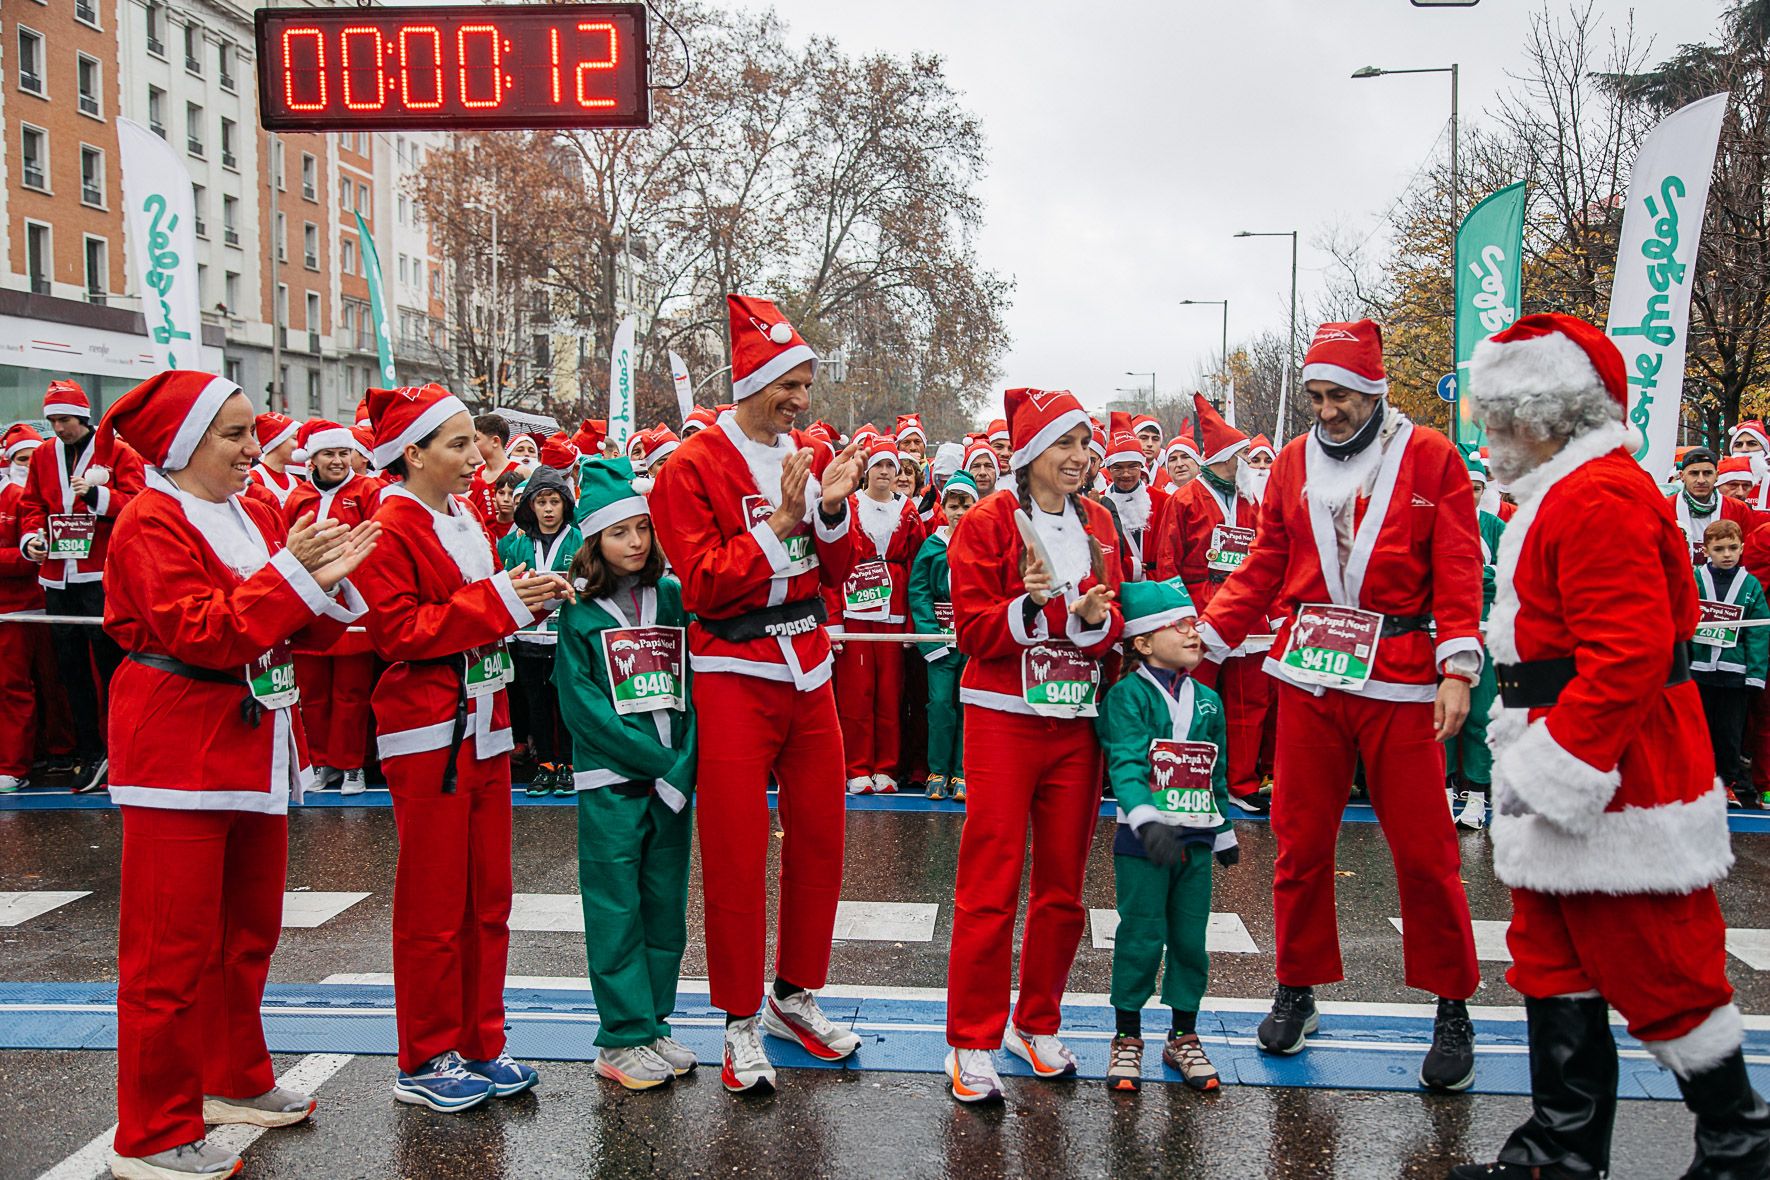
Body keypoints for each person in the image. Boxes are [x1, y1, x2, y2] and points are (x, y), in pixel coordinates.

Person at [1451, 312, 1770, 1180]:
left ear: (1545, 412)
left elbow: (1629, 653)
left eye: (1499, 413)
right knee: (1552, 956)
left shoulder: (1598, 497)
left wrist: (1558, 768)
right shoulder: (1564, 491)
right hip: (1565, 756)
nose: (1490, 430)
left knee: (1661, 959)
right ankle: (1561, 1145)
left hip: (1612, 774)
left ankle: (1739, 1145)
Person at [98, 370, 376, 1180]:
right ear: (184, 443)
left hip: (252, 740)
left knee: (244, 934)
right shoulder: (149, 522)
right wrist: (298, 577)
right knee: (167, 954)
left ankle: (231, 1078)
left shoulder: (248, 513)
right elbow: (204, 633)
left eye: (251, 430)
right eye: (234, 434)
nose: (255, 449)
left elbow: (286, 627)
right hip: (179, 747)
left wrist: (327, 586)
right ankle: (150, 1133)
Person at [1195, 320, 1483, 1091]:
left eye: (1339, 396)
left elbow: (1457, 563)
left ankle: (1452, 1003)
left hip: (1398, 675)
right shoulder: (1290, 462)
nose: (1325, 410)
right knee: (1299, 841)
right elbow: (1265, 563)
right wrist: (1209, 637)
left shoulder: (1431, 456)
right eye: (1317, 396)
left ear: (1374, 391)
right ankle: (1298, 984)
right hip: (1310, 674)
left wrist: (1457, 664)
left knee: (1425, 852)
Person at [648, 294, 866, 1094]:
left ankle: (794, 996)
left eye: (807, 387)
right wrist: (779, 522)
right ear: (752, 380)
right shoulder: (691, 466)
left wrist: (833, 509)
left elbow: (837, 572)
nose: (802, 402)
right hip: (735, 673)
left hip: (809, 667)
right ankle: (739, 1020)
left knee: (822, 839)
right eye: (790, 385)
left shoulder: (809, 449)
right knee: (736, 854)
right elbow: (704, 585)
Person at [352, 382, 573, 1113]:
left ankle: (480, 1039)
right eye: (455, 442)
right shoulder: (393, 526)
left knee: (488, 896)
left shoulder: (461, 518)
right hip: (430, 730)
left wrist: (522, 594)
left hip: (483, 718)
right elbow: (401, 631)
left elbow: (469, 614)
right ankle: (424, 1055)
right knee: (435, 900)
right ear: (410, 454)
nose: (475, 453)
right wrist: (505, 601)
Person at [943, 387, 1124, 1104]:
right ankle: (972, 1038)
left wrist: (1086, 617)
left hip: (1077, 718)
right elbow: (971, 631)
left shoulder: (1103, 522)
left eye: (1085, 445)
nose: (1080, 459)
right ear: (1031, 454)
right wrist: (1034, 606)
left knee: (1063, 885)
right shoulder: (987, 524)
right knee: (990, 879)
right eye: (1065, 445)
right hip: (1004, 716)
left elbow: (1115, 619)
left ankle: (1036, 1020)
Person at [553, 459, 699, 1091]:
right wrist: (662, 763)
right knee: (616, 909)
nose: (635, 542)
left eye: (643, 529)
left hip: (672, 784)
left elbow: (695, 686)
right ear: (594, 541)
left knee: (665, 909)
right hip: (613, 784)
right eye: (620, 533)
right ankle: (619, 1037)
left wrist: (684, 764)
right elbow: (581, 708)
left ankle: (652, 1024)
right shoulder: (580, 615)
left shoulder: (670, 597)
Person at [1096, 578, 1235, 1093]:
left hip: (1194, 839)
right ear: (1143, 643)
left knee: (1190, 939)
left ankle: (1184, 1034)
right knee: (1140, 935)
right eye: (1179, 625)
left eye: (1195, 623)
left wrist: (1223, 832)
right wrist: (1144, 816)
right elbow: (1125, 761)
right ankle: (1127, 1036)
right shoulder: (1127, 696)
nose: (1193, 632)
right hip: (1143, 841)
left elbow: (1215, 773)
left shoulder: (1208, 701)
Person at [17, 379, 146, 793]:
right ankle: (88, 751)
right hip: (57, 574)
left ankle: (119, 747)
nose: (58, 427)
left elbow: (140, 503)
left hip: (102, 575)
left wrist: (98, 497)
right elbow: (31, 504)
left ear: (84, 417)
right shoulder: (42, 454)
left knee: (111, 666)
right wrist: (31, 538)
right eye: (53, 419)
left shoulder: (118, 451)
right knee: (69, 667)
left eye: (65, 419)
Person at [1154, 395, 1274, 813]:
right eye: (1242, 454)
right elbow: (1167, 560)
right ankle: (1189, 778)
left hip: (1247, 611)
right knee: (1194, 697)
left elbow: (1265, 555)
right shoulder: (1184, 499)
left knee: (1249, 699)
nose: (1248, 461)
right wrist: (1176, 615)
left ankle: (1240, 783)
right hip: (1199, 608)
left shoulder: (1248, 500)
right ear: (1225, 457)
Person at [284, 419, 385, 797]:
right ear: (312, 459)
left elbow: (379, 541)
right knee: (312, 692)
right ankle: (323, 760)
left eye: (344, 453)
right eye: (329, 453)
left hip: (353, 608)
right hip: (310, 606)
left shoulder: (368, 491)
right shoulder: (297, 498)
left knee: (351, 692)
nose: (338, 461)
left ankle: (352, 764)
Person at [836, 436, 926, 794]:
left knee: (890, 695)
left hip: (892, 613)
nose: (885, 472)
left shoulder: (908, 512)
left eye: (891, 466)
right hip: (855, 613)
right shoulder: (849, 506)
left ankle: (886, 767)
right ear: (866, 471)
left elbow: (916, 570)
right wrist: (835, 622)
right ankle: (856, 766)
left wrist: (909, 624)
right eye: (879, 465)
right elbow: (834, 564)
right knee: (856, 693)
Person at [497, 464, 582, 798]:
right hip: (529, 638)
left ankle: (569, 763)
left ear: (565, 504)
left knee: (566, 703)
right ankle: (545, 763)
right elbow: (507, 584)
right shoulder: (515, 544)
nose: (548, 509)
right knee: (536, 704)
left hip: (565, 637)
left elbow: (590, 580)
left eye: (554, 502)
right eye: (541, 502)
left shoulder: (579, 539)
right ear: (530, 505)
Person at [1445, 450, 1507, 830]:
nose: (1468, 494)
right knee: (1445, 715)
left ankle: (1478, 794)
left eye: (1476, 488)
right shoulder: (1439, 521)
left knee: (1481, 714)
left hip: (1485, 630)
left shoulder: (1494, 526)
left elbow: (1508, 577)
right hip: (1445, 631)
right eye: (1463, 487)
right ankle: (1447, 789)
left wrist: (1478, 576)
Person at [910, 471, 979, 803]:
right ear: (944, 508)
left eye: (966, 505)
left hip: (971, 639)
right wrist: (930, 635)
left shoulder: (983, 545)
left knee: (969, 704)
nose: (959, 512)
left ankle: (963, 771)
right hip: (940, 640)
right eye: (953, 505)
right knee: (939, 704)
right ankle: (937, 770)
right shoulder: (932, 545)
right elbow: (919, 592)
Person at [1691, 519, 1770, 810]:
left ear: (1742, 548)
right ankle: (1698, 781)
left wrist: (1756, 675)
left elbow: (1759, 631)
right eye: (1719, 548)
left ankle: (1726, 784)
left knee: (1729, 733)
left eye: (1733, 548)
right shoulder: (1695, 579)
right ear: (1707, 549)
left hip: (1734, 674)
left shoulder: (1750, 584)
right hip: (1699, 671)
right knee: (1698, 730)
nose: (1727, 554)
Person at [0, 424, 47, 793]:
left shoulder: (18, 498)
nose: (26, 465)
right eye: (20, 458)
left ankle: (14, 764)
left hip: (19, 609)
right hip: (17, 607)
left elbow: (34, 557)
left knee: (13, 687)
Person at [1671, 447, 1755, 565]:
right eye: (1694, 473)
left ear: (1717, 475)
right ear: (1682, 476)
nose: (1701, 480)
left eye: (1707, 473)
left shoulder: (1738, 509)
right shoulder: (1665, 507)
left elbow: (1748, 554)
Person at [1101, 413, 1156, 581]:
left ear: (1141, 466)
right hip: (1119, 587)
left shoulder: (1163, 500)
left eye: (1132, 467)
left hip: (1159, 587)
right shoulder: (1099, 505)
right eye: (1118, 468)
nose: (1126, 474)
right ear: (1108, 469)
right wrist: (1130, 567)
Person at [467, 413, 516, 523]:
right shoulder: (475, 474)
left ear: (495, 441)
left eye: (475, 439)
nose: (471, 445)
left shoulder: (520, 471)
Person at [245, 412, 301, 510]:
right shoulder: (254, 480)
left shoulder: (296, 482)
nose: (299, 445)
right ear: (277, 441)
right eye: (295, 438)